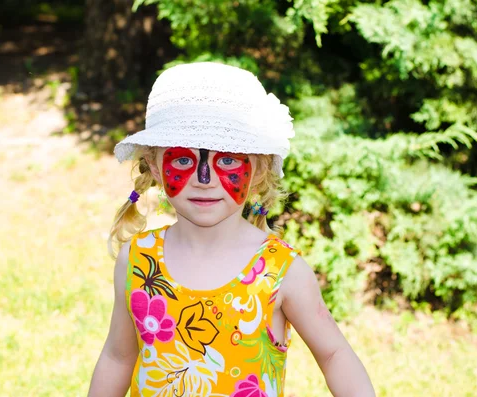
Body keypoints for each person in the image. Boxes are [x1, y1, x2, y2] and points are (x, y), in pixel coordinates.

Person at [87, 62, 375, 397]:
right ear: (154, 166)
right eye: (182, 160)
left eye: (226, 160)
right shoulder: (137, 260)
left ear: (257, 168)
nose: (203, 179)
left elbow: (334, 353)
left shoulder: (281, 271)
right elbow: (118, 356)